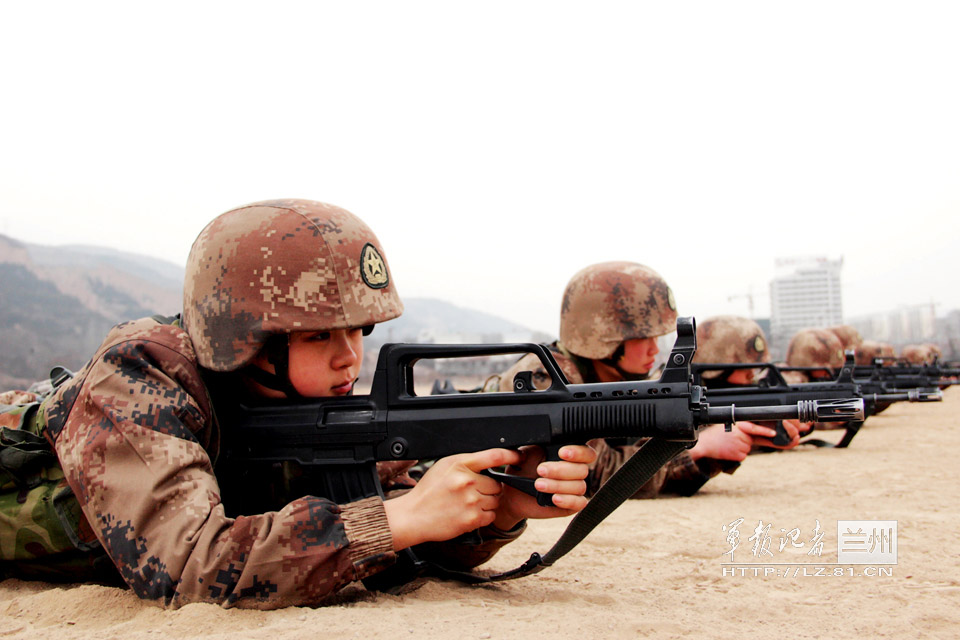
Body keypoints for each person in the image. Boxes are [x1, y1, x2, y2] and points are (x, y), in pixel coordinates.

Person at [2, 199, 595, 608]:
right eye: (319, 335)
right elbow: (184, 568)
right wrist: (396, 519)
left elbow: (400, 541)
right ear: (245, 341)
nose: (349, 358)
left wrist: (497, 510)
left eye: (359, 331)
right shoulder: (141, 374)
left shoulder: (310, 410)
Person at [497, 263, 797, 498]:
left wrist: (719, 446)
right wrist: (698, 449)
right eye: (644, 337)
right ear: (603, 338)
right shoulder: (547, 379)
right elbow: (598, 474)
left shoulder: (614, 380)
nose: (655, 348)